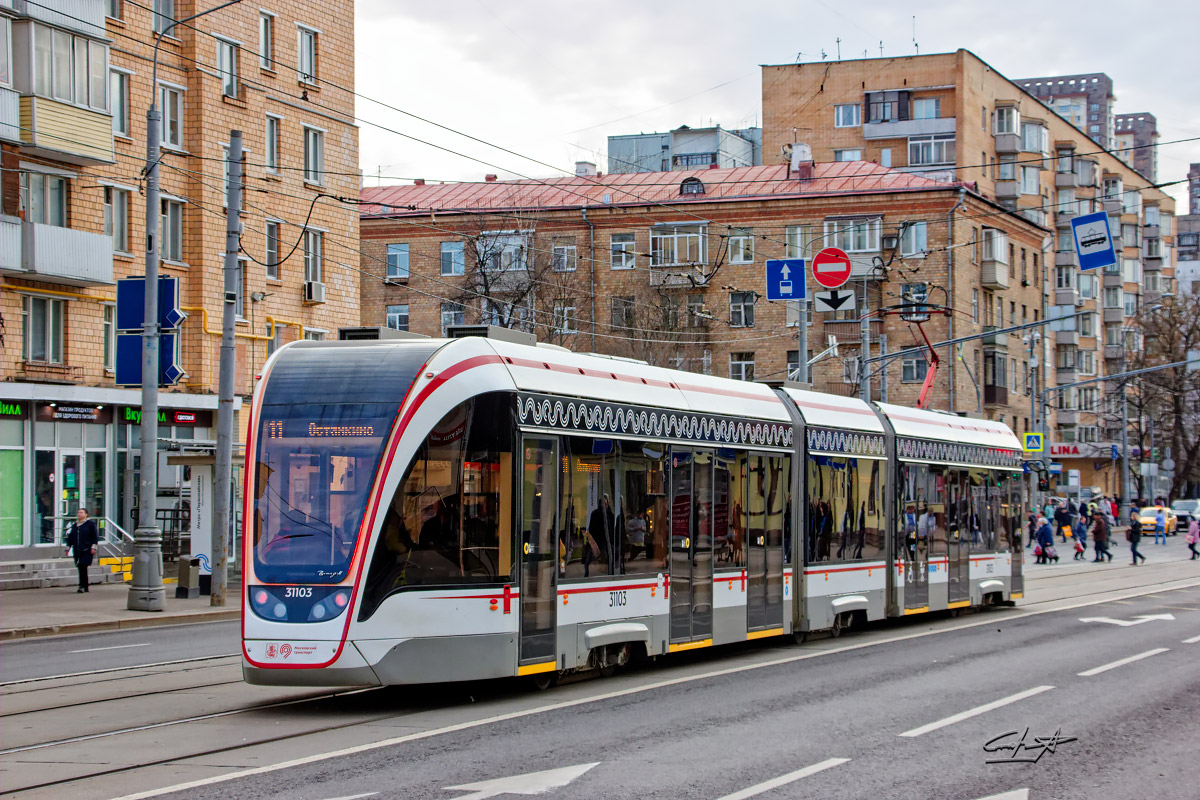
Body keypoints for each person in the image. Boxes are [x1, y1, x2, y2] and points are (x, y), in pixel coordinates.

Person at [65, 508, 99, 593]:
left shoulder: (90, 524)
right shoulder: (75, 525)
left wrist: (93, 547)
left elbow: (94, 536)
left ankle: (82, 586)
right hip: (77, 549)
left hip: (87, 549)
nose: (79, 514)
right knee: (80, 567)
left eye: (81, 513)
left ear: (86, 514)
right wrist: (68, 547)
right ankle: (85, 586)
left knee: (83, 565)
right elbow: (71, 537)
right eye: (78, 513)